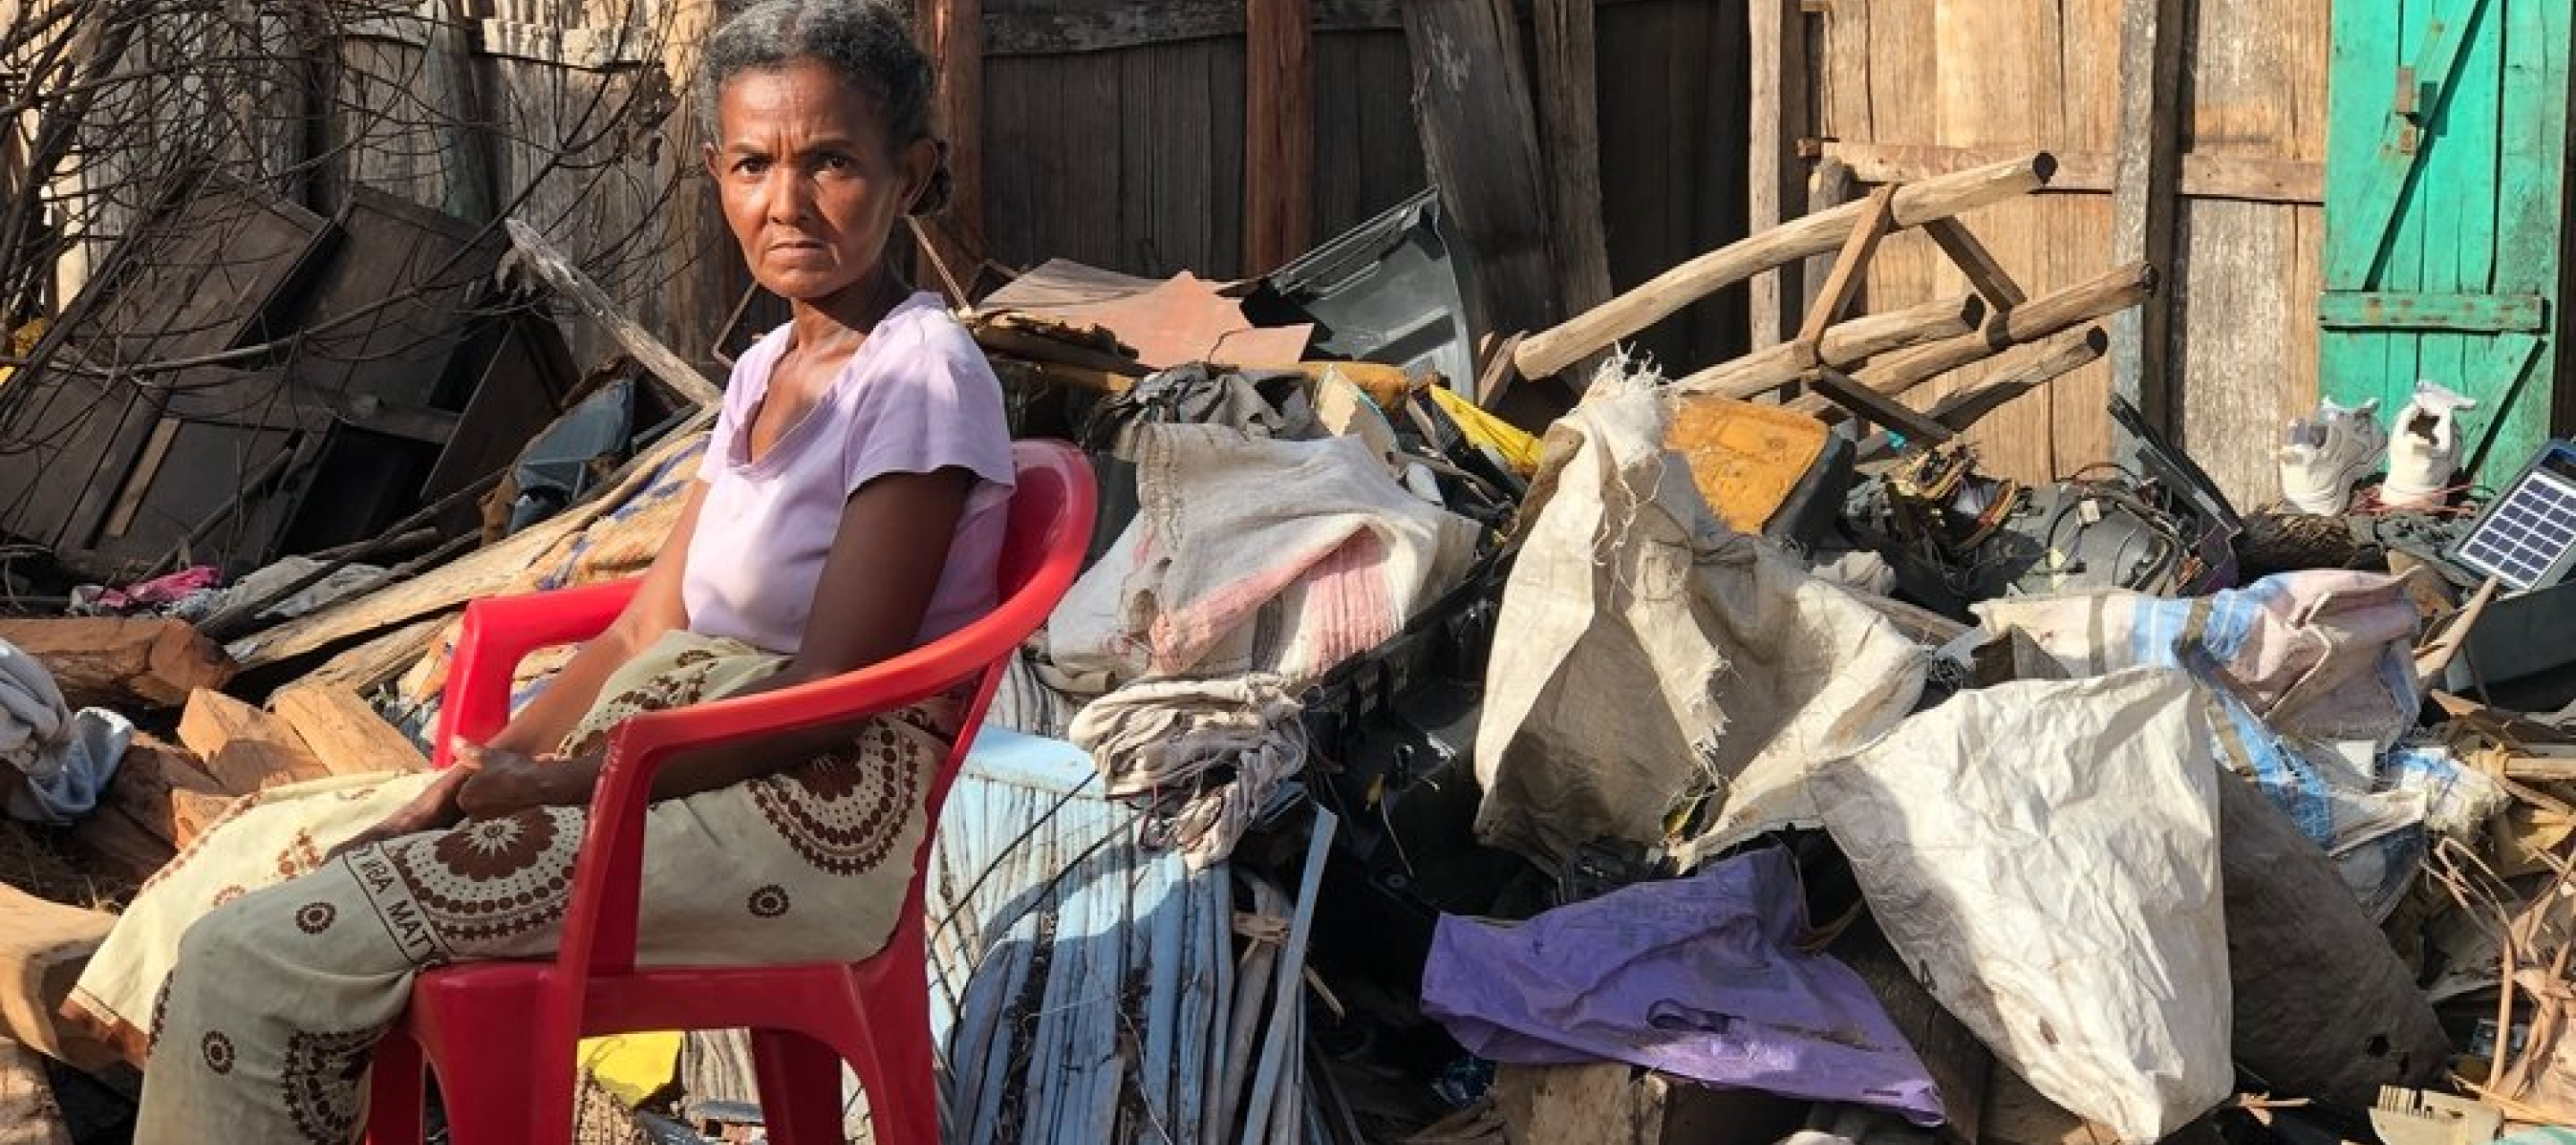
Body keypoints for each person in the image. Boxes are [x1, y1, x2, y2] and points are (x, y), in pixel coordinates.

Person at [61, 2, 1014, 1138]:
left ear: (910, 173)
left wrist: (570, 786)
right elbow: (635, 632)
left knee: (263, 952)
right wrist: (491, 761)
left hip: (797, 811)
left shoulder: (919, 376)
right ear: (715, 171)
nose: (786, 202)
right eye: (754, 163)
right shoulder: (768, 364)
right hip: (675, 772)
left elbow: (821, 699)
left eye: (832, 163)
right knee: (256, 856)